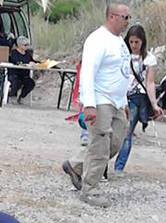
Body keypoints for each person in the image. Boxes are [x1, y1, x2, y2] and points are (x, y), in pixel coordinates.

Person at [62, 1, 131, 208]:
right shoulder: (97, 40)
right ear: (112, 17)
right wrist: (89, 104)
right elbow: (88, 72)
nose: (128, 22)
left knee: (115, 142)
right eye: (124, 17)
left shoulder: (119, 41)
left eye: (129, 17)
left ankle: (77, 165)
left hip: (117, 101)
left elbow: (121, 73)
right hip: (100, 100)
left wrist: (124, 101)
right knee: (100, 145)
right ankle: (90, 188)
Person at [114, 25, 163, 175]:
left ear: (143, 42)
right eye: (131, 42)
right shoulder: (121, 55)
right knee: (112, 130)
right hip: (119, 95)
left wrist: (154, 104)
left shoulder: (148, 59)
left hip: (136, 97)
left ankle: (119, 167)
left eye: (137, 42)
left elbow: (149, 82)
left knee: (127, 132)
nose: (134, 45)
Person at [8, 36, 37, 104]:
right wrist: (24, 63)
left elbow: (32, 61)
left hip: (24, 75)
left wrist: (37, 63)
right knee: (16, 81)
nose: (27, 47)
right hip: (15, 74)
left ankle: (22, 96)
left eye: (27, 45)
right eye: (25, 45)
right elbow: (15, 61)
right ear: (19, 45)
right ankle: (12, 96)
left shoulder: (27, 54)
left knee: (31, 83)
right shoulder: (14, 52)